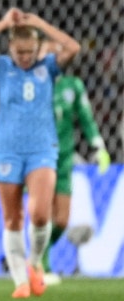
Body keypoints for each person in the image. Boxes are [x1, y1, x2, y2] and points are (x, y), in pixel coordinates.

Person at [0, 7, 80, 299]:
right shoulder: (1, 67)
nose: (25, 57)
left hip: (41, 149)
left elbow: (73, 47)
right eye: (19, 51)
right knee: (12, 218)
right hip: (7, 151)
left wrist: (40, 22)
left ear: (38, 48)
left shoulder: (49, 67)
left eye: (30, 51)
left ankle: (35, 262)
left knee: (40, 214)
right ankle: (20, 282)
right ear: (10, 48)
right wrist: (3, 23)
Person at [38, 39, 111, 284]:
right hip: (39, 161)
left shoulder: (73, 86)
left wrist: (99, 147)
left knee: (61, 220)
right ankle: (41, 265)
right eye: (46, 55)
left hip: (65, 160)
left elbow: (87, 119)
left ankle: (38, 255)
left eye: (56, 55)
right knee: (44, 216)